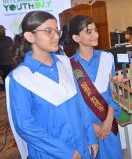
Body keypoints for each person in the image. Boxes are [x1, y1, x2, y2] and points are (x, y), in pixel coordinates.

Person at [6, 11, 98, 159]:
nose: (56, 36)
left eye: (57, 30)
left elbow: (80, 103)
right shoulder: (20, 77)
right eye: (49, 31)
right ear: (30, 36)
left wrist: (91, 136)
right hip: (51, 153)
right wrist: (65, 152)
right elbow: (25, 127)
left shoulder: (65, 63)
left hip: (81, 147)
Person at [67, 15, 122, 159]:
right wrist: (91, 126)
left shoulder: (107, 57)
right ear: (76, 38)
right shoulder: (69, 66)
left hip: (108, 121)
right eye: (89, 32)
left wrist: (109, 119)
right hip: (86, 127)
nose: (96, 35)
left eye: (95, 30)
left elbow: (114, 91)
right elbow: (73, 103)